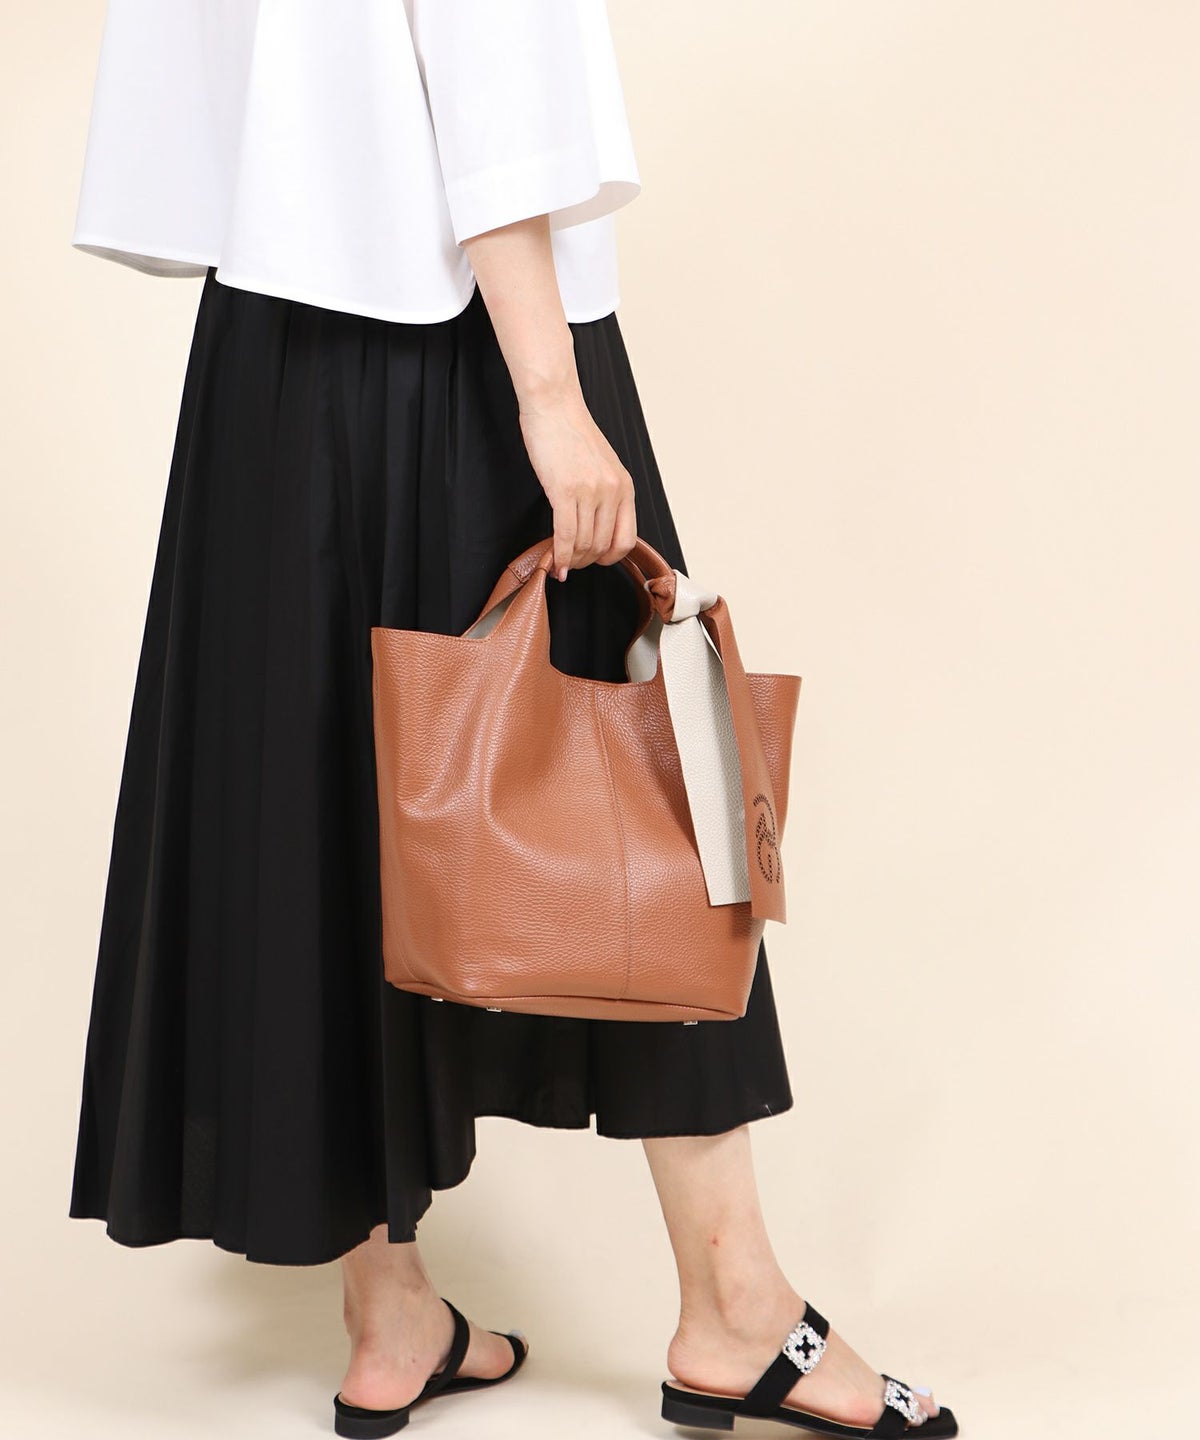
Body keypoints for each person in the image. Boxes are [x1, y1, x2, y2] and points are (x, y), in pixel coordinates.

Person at [67, 3, 957, 1436]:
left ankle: (388, 1313)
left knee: (333, 797)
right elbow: (479, 52)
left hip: (270, 354)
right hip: (472, 341)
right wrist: (550, 391)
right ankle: (735, 1310)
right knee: (655, 803)